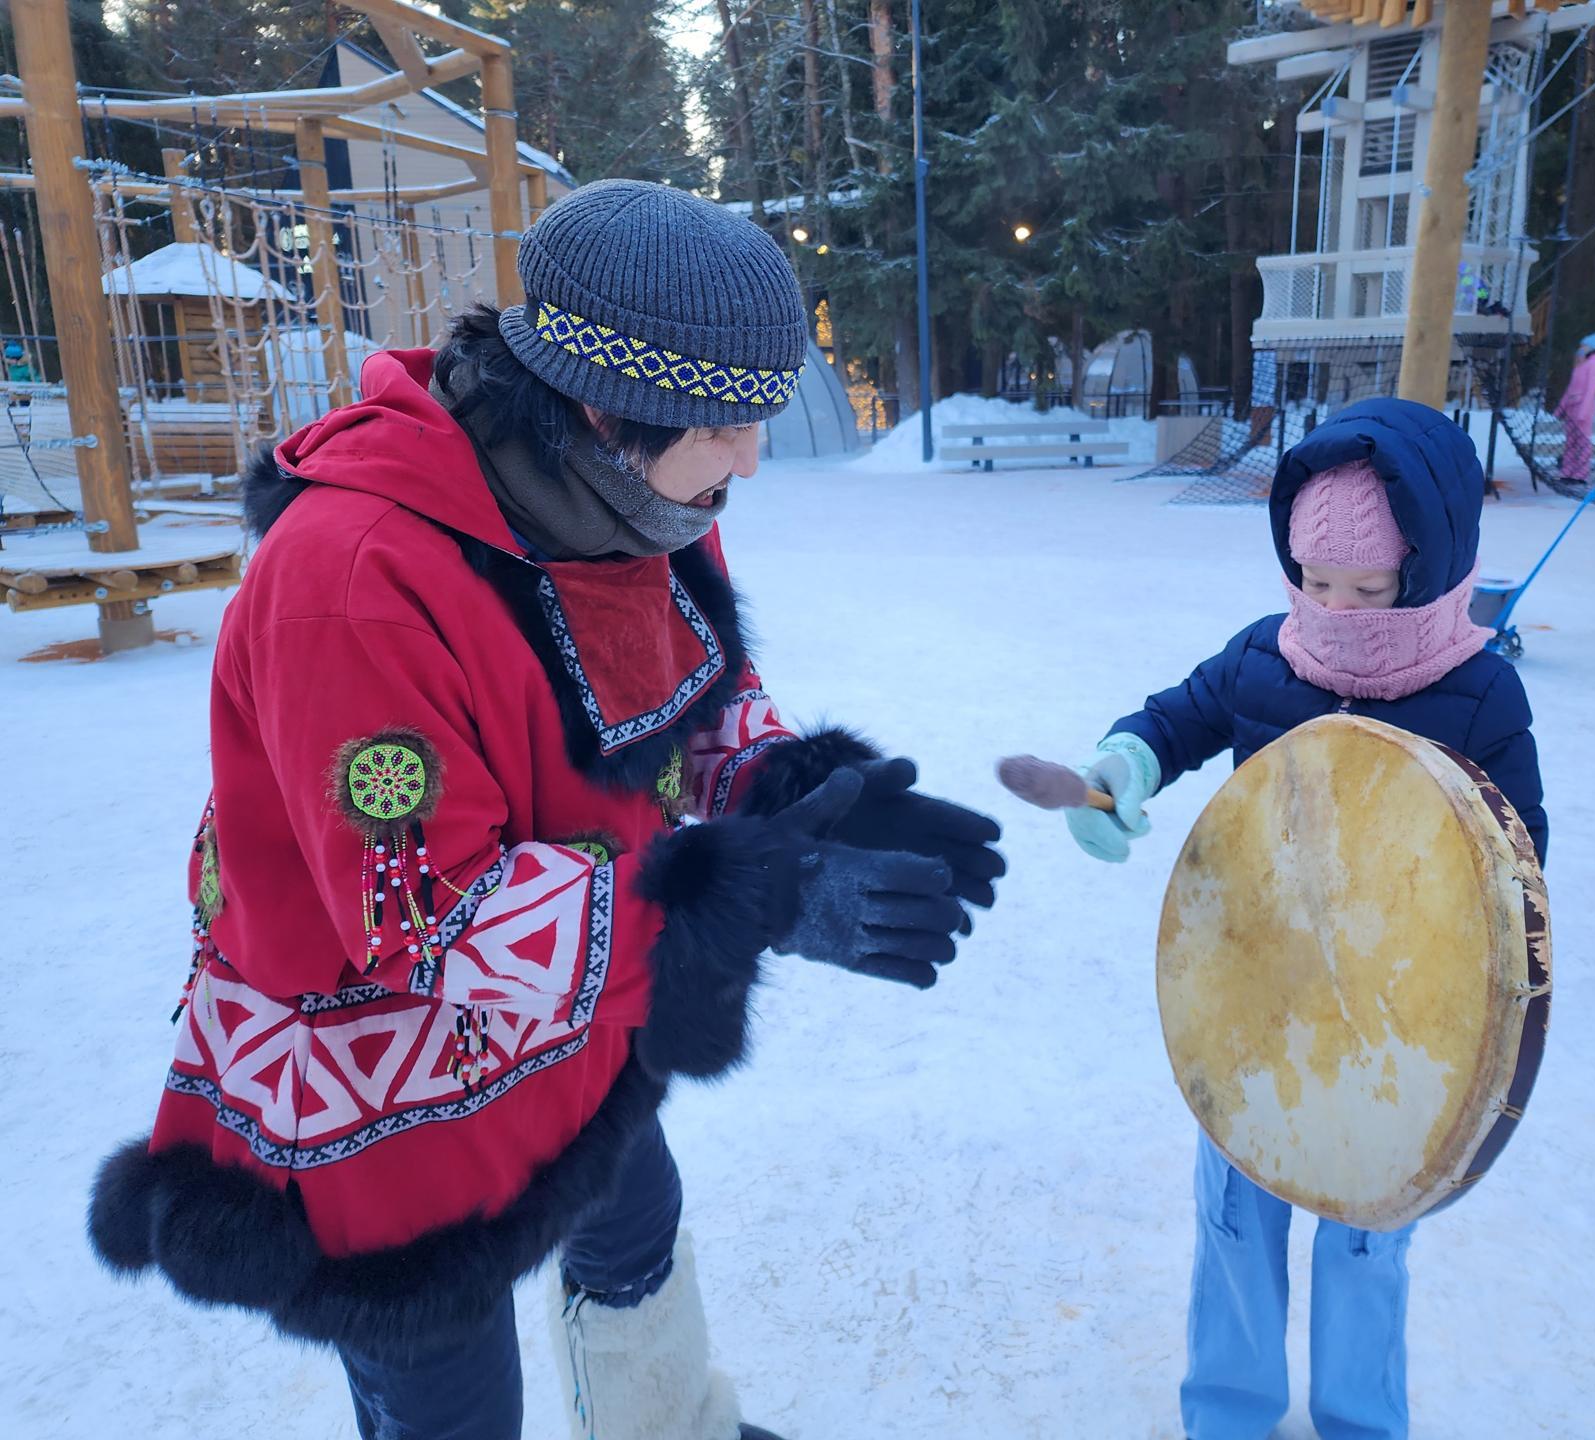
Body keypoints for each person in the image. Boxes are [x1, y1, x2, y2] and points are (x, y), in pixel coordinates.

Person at [85, 180, 1006, 1440]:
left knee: (636, 1229)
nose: (749, 457)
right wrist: (750, 901)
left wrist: (801, 801)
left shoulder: (644, 494)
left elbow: (676, 714)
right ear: (599, 403)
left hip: (581, 1017)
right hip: (386, 1073)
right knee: (449, 1384)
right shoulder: (352, 577)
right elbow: (425, 914)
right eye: (725, 424)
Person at [1061, 398, 1546, 1440]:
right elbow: (1178, 716)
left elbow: (1518, 863)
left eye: (1367, 591)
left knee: (1367, 1239)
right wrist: (1127, 763)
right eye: (1313, 582)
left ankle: (1360, 1419)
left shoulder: (1477, 695)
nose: (1333, 610)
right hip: (1254, 1001)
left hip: (1400, 1031)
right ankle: (1228, 1411)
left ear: (1428, 573)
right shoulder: (1265, 656)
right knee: (1234, 1215)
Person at [1554, 332, 1595, 481]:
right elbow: (1570, 389)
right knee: (1570, 442)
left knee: (1583, 442)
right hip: (1571, 408)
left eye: (1584, 345)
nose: (1581, 348)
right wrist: (1561, 409)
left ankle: (1581, 474)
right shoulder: (1580, 365)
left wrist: (1583, 411)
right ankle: (1567, 471)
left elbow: (1591, 390)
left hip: (1583, 409)